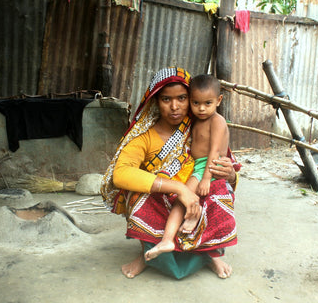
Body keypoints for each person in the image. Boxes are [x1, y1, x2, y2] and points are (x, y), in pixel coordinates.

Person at [101, 67, 239, 280]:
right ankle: (147, 255)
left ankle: (209, 254)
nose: (175, 106)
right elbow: (121, 174)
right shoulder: (144, 137)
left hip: (199, 195)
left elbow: (224, 165)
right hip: (164, 202)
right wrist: (178, 188)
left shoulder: (202, 122)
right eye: (166, 99)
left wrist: (228, 174)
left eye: (182, 98)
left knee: (219, 189)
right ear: (155, 101)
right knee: (137, 196)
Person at [143, 74, 229, 261]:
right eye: (196, 103)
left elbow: (215, 151)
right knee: (185, 200)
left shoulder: (217, 121)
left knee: (183, 202)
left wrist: (206, 177)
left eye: (208, 103)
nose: (201, 108)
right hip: (198, 166)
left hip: (208, 167)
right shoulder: (195, 119)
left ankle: (168, 238)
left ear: (219, 100)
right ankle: (176, 234)